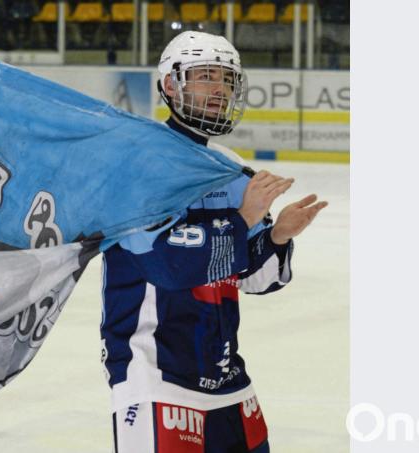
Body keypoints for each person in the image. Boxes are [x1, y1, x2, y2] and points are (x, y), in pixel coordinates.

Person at [100, 31, 327, 452]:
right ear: (171, 84)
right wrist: (242, 220)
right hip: (155, 375)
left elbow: (255, 280)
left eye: (226, 79)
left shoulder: (231, 170)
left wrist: (277, 235)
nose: (220, 89)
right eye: (206, 76)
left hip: (226, 377)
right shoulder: (138, 167)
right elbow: (166, 264)